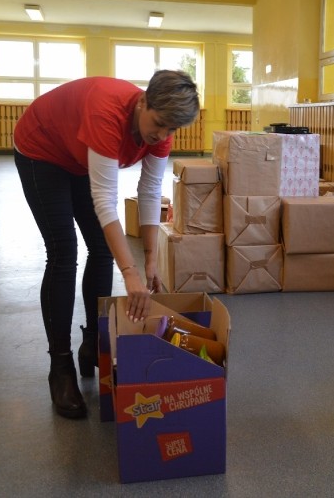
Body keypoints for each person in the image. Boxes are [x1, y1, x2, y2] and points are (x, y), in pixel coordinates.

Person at [13, 70, 200, 419]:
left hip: (79, 157)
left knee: (100, 250)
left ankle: (92, 344)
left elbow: (148, 194)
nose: (162, 135)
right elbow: (105, 199)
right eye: (159, 124)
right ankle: (61, 366)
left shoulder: (161, 131)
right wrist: (128, 272)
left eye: (171, 130)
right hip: (42, 150)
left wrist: (149, 262)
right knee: (63, 252)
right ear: (142, 101)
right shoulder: (106, 113)